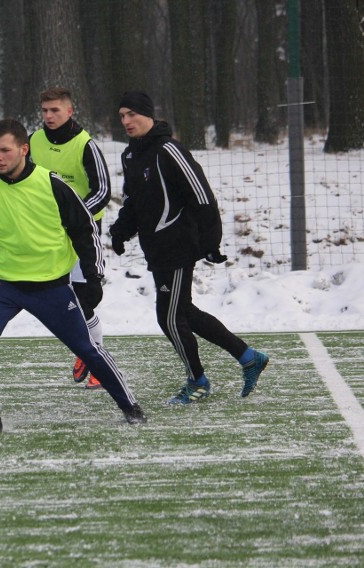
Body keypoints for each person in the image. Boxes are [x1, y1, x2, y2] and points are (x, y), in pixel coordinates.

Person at [0, 118, 146, 431]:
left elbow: (85, 233)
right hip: (2, 283)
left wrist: (92, 277)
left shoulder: (53, 185)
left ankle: (129, 404)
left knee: (86, 348)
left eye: (5, 150)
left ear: (24, 149)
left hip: (51, 286)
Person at [110, 91, 269, 404]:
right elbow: (134, 202)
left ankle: (198, 381)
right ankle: (249, 357)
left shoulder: (170, 150)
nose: (127, 122)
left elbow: (203, 198)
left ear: (148, 114)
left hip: (179, 246)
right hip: (155, 248)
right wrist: (120, 231)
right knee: (185, 313)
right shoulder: (130, 156)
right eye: (121, 117)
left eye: (131, 114)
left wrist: (211, 244)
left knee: (168, 317)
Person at [29, 87, 112, 390]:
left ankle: (97, 361)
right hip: (47, 234)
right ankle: (85, 348)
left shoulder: (85, 144)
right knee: (61, 299)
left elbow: (103, 191)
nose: (49, 116)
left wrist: (73, 217)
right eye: (45, 110)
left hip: (82, 234)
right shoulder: (33, 142)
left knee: (85, 296)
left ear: (69, 111)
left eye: (55, 111)